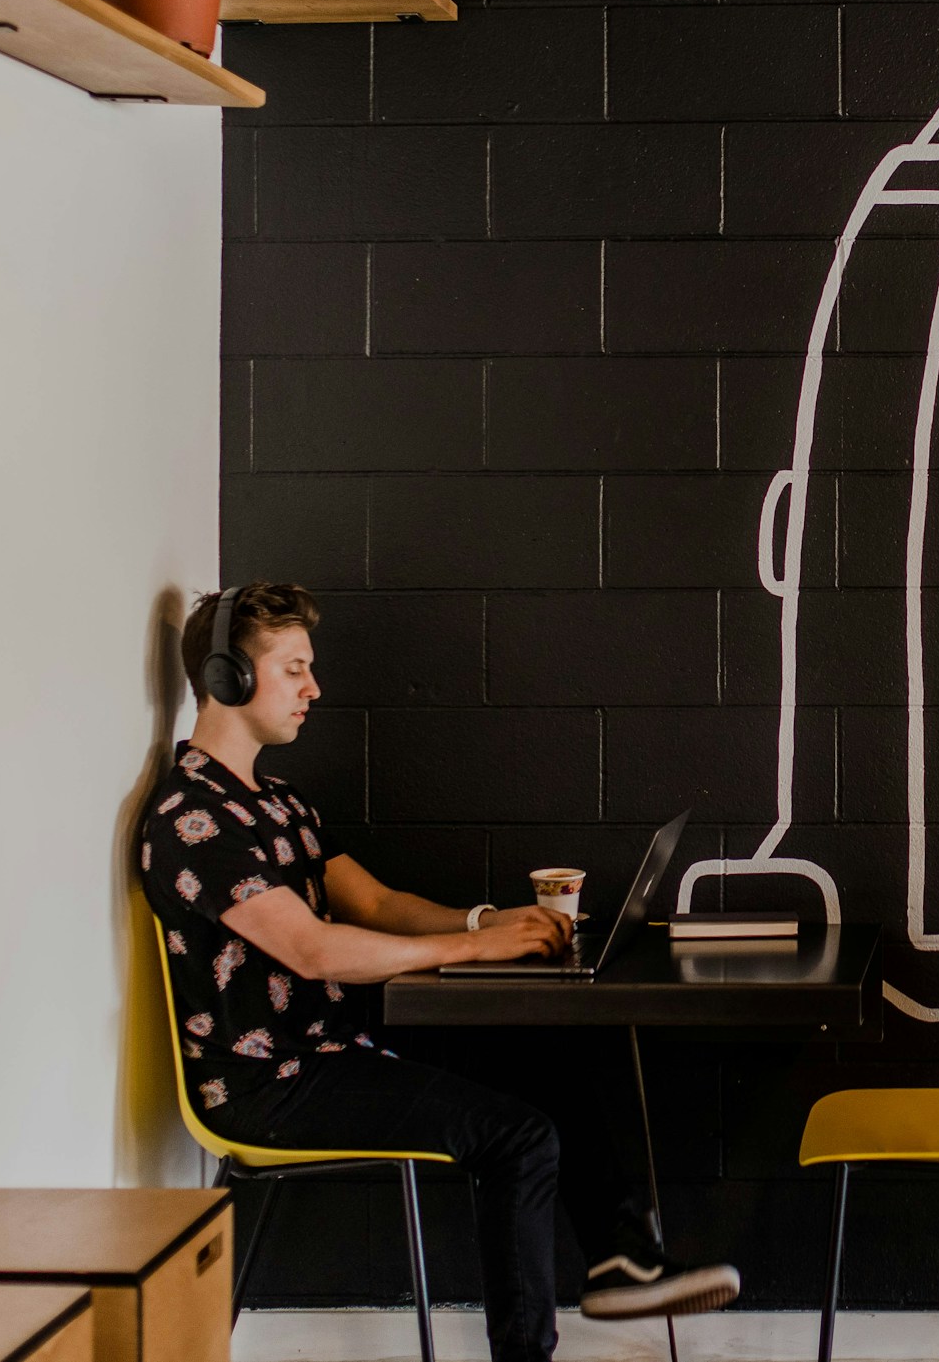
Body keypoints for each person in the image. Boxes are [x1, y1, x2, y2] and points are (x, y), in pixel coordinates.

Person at [138, 582, 739, 1362]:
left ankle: (621, 1258)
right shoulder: (192, 819)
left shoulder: (279, 802)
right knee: (517, 1137)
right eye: (295, 669)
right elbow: (316, 949)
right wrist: (472, 951)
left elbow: (380, 903)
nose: (314, 687)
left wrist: (489, 923)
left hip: (332, 1047)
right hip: (270, 1083)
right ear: (229, 678)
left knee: (547, 1050)